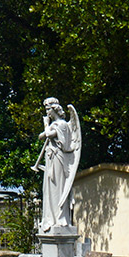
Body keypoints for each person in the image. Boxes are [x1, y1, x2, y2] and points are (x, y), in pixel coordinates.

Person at [35, 98, 80, 232]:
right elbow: (40, 136)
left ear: (54, 109)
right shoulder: (54, 125)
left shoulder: (62, 125)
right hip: (51, 159)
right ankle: (50, 218)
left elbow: (48, 134)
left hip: (59, 160)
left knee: (57, 188)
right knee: (49, 189)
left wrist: (46, 124)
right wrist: (47, 127)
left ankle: (59, 219)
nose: (47, 113)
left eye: (48, 109)